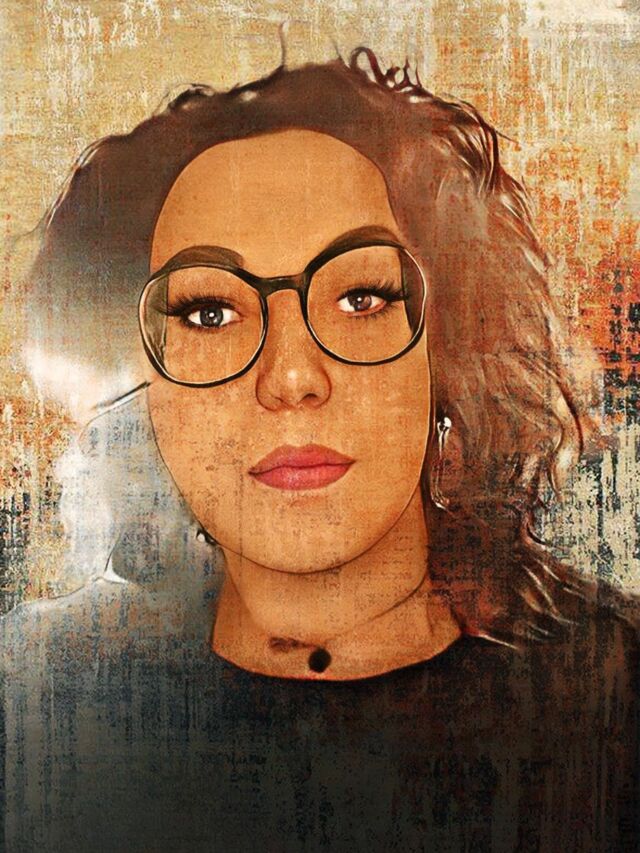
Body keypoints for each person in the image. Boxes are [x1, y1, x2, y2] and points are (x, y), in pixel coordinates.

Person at [1, 46, 638, 852]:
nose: (292, 377)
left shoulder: (617, 693)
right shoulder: (34, 696)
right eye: (209, 313)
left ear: (450, 352)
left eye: (362, 297)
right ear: (146, 383)